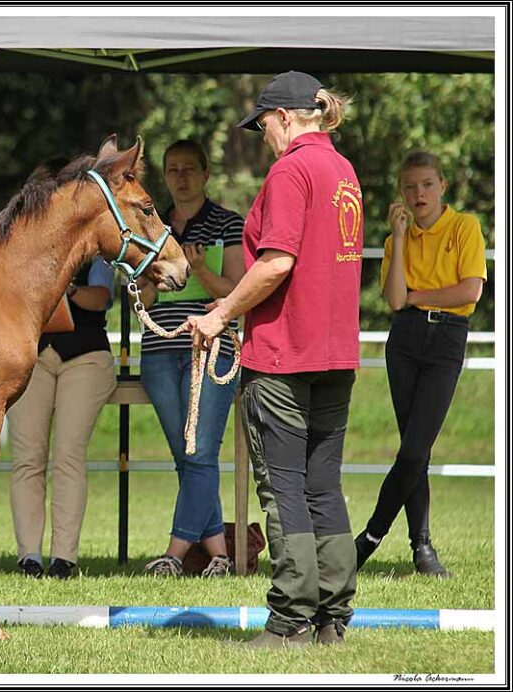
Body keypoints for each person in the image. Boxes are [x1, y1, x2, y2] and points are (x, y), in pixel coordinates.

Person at [188, 71, 363, 647]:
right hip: (335, 353)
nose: (262, 134)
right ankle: (332, 618)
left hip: (285, 355)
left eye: (263, 123)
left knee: (284, 487)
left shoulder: (292, 170)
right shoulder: (343, 170)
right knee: (323, 486)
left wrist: (219, 316)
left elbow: (276, 262)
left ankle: (288, 621)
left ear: (285, 117)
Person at [354, 151, 487, 578]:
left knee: (413, 450)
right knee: (417, 451)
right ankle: (421, 547)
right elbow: (394, 301)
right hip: (405, 340)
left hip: (447, 338)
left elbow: (470, 292)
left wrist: (417, 295)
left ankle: (369, 538)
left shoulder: (465, 227)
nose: (419, 194)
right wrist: (396, 234)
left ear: (442, 186)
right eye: (410, 187)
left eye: (427, 184)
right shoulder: (398, 240)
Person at [135, 140, 245, 579]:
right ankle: (218, 554)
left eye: (188, 169)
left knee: (200, 454)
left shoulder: (229, 223)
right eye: (172, 170)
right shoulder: (149, 227)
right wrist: (150, 287)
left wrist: (198, 270)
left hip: (212, 351)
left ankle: (175, 554)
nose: (180, 177)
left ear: (205, 175)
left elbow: (237, 292)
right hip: (161, 352)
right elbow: (137, 299)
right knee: (187, 457)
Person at [8, 256, 116, 579]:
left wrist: (66, 289)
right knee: (27, 457)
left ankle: (63, 558)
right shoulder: (27, 249)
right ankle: (29, 556)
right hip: (32, 356)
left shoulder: (98, 256)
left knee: (68, 454)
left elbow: (100, 299)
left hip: (86, 358)